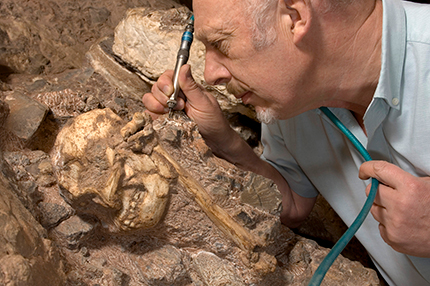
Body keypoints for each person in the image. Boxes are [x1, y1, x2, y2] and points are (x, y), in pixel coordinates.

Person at [142, 0, 430, 284]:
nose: (210, 74)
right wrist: (223, 143)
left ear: (295, 17)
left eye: (221, 45)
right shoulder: (291, 100)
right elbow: (290, 204)